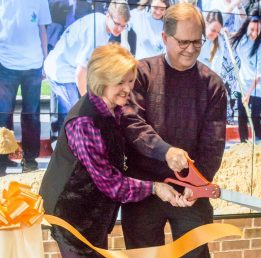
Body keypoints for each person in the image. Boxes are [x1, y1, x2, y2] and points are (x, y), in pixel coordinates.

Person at [40, 44, 188, 258]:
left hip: (93, 214)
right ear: (101, 81)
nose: (128, 89)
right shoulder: (84, 124)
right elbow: (111, 183)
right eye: (120, 82)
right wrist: (155, 188)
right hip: (72, 217)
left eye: (130, 80)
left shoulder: (114, 107)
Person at [121, 3, 227, 258]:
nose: (191, 50)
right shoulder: (141, 74)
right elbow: (131, 124)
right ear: (165, 38)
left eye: (197, 42)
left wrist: (197, 184)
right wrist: (165, 152)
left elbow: (213, 143)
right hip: (145, 188)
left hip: (191, 193)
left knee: (195, 253)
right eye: (183, 42)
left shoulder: (212, 85)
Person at [44, 0, 130, 141]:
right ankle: (73, 154)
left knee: (69, 118)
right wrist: (88, 103)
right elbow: (80, 74)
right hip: (62, 73)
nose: (119, 29)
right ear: (108, 16)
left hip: (59, 65)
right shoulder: (97, 34)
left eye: (123, 26)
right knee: (79, 117)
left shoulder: (99, 18)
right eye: (117, 24)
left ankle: (65, 149)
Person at [0, 0, 51, 171]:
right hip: (5, 63)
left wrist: (45, 59)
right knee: (3, 114)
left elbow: (42, 28)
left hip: (34, 64)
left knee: (32, 114)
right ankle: (2, 158)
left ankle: (30, 159)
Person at [231, 12, 261, 143]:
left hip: (258, 85)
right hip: (243, 83)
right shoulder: (242, 41)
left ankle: (259, 142)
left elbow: (259, 75)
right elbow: (232, 41)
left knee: (255, 116)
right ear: (247, 27)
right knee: (242, 116)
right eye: (252, 29)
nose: (254, 33)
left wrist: (247, 94)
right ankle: (243, 142)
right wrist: (226, 33)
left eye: (257, 30)